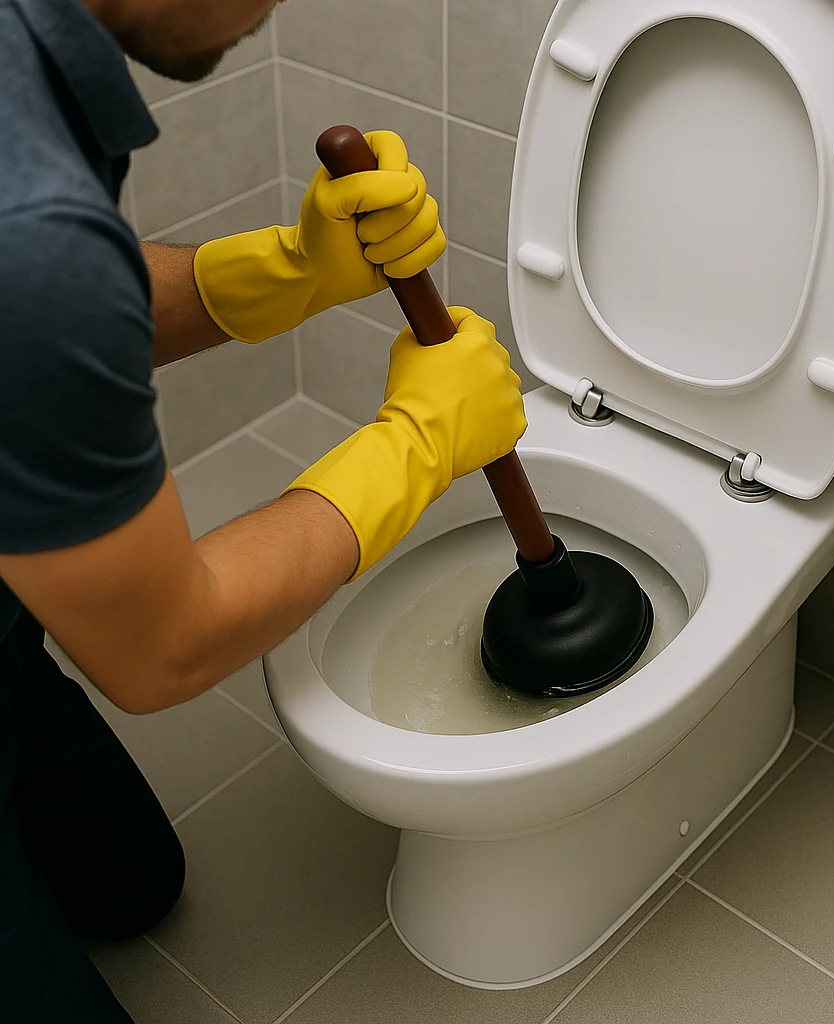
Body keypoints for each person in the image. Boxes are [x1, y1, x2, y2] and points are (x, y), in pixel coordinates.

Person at [0, 0, 528, 1019]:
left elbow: (59, 308)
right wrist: (417, 441)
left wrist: (286, 272)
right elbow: (162, 650)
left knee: (131, 882)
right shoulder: (28, 231)